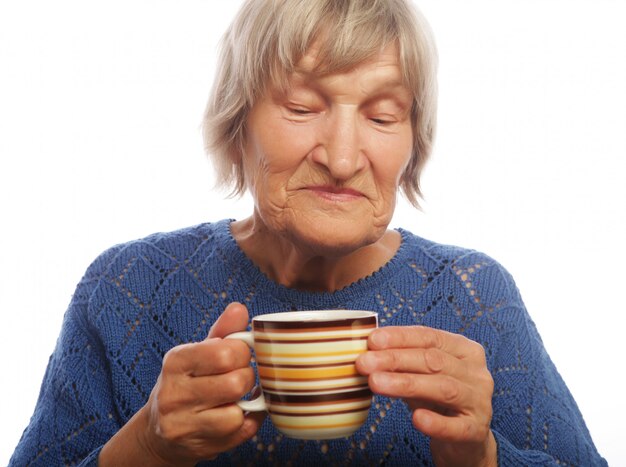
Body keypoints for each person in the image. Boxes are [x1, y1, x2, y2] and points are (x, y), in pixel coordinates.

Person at [10, 0, 606, 465]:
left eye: (381, 116)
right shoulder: (125, 290)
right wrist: (148, 447)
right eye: (300, 106)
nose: (344, 159)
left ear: (412, 144)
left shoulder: (475, 297)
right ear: (237, 121)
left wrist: (482, 459)